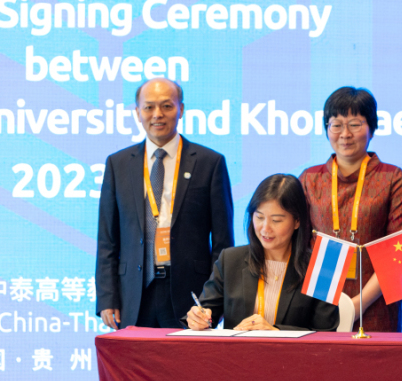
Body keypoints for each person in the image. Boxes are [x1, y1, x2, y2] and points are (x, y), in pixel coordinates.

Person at [96, 78, 234, 329]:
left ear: (181, 109)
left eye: (167, 106)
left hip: (191, 297)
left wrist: (216, 301)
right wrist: (107, 297)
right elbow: (107, 240)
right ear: (137, 112)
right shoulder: (118, 164)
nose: (157, 114)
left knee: (186, 356)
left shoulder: (209, 162)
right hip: (133, 295)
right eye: (148, 107)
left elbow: (223, 242)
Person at [299, 87, 402, 332]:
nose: (345, 134)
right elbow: (300, 245)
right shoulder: (310, 179)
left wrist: (355, 306)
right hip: (320, 303)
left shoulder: (392, 178)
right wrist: (331, 308)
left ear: (372, 127)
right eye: (336, 125)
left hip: (376, 304)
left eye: (355, 124)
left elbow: (398, 254)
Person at [186, 174, 338, 332]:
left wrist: (276, 332)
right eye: (259, 217)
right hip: (238, 348)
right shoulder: (230, 259)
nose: (265, 228)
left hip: (291, 349)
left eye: (276, 220)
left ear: (297, 221)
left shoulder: (324, 267)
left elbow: (326, 333)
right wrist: (198, 318)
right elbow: (206, 312)